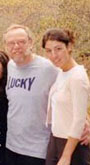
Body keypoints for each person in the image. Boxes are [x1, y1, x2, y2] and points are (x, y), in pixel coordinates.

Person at [3, 24, 90, 165]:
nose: (16, 46)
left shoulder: (50, 67)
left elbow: (77, 92)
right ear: (5, 46)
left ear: (31, 42)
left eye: (21, 42)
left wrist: (86, 122)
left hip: (38, 149)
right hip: (12, 146)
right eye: (11, 43)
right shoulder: (10, 66)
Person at [42, 28, 90, 165]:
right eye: (49, 50)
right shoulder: (62, 71)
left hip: (71, 145)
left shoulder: (77, 77)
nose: (54, 55)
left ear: (69, 47)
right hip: (56, 138)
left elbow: (78, 119)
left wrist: (66, 156)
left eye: (58, 49)